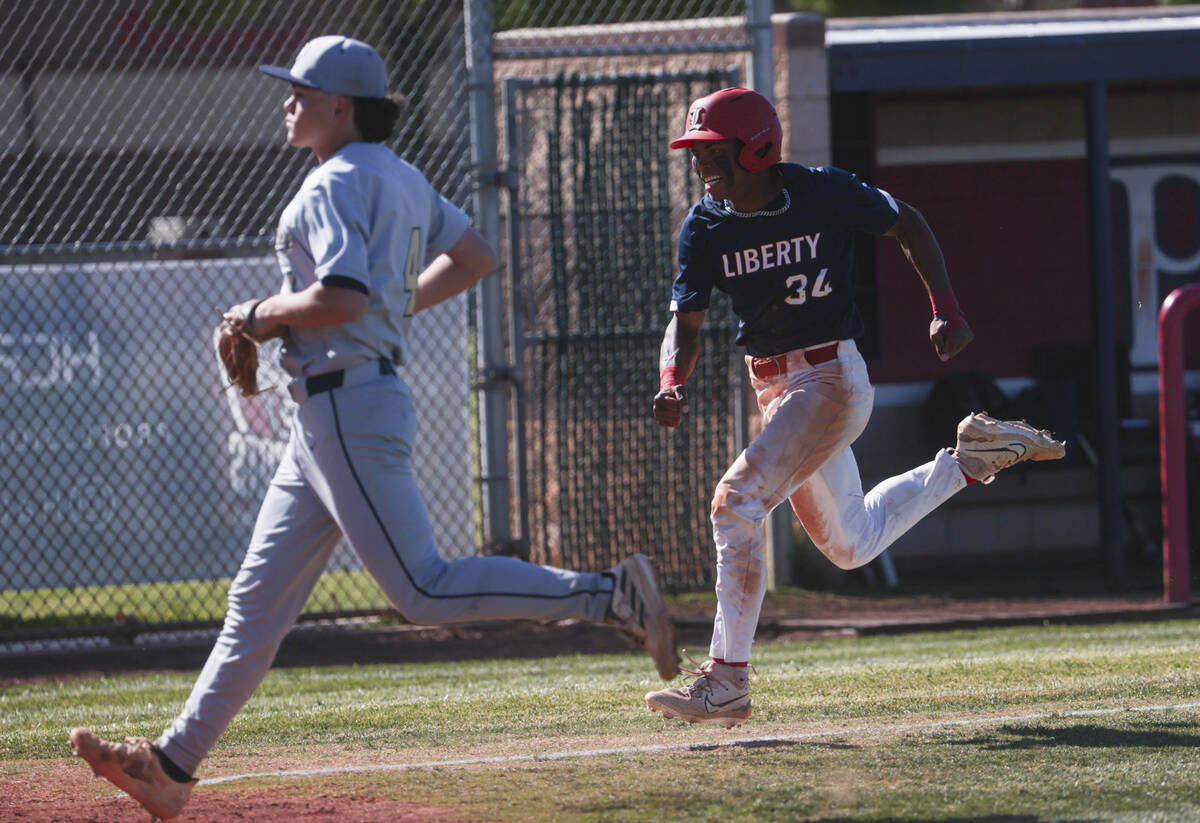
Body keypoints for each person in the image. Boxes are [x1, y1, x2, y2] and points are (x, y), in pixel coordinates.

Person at [69, 35, 678, 820]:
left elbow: (344, 297)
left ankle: (611, 595)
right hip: (330, 411)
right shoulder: (402, 175)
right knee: (256, 601)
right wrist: (387, 307)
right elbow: (476, 256)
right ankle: (171, 765)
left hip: (345, 408)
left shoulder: (329, 184)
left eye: (301, 89)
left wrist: (254, 314)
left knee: (422, 588)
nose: (287, 100)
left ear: (339, 106)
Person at [643, 88, 1065, 729]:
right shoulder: (706, 225)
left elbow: (909, 224)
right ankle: (970, 461)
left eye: (713, 149)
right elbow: (688, 322)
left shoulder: (821, 191)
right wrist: (673, 377)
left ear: (757, 147)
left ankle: (727, 679)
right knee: (851, 545)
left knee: (735, 503)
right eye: (696, 151)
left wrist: (945, 308)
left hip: (831, 379)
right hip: (776, 391)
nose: (702, 163)